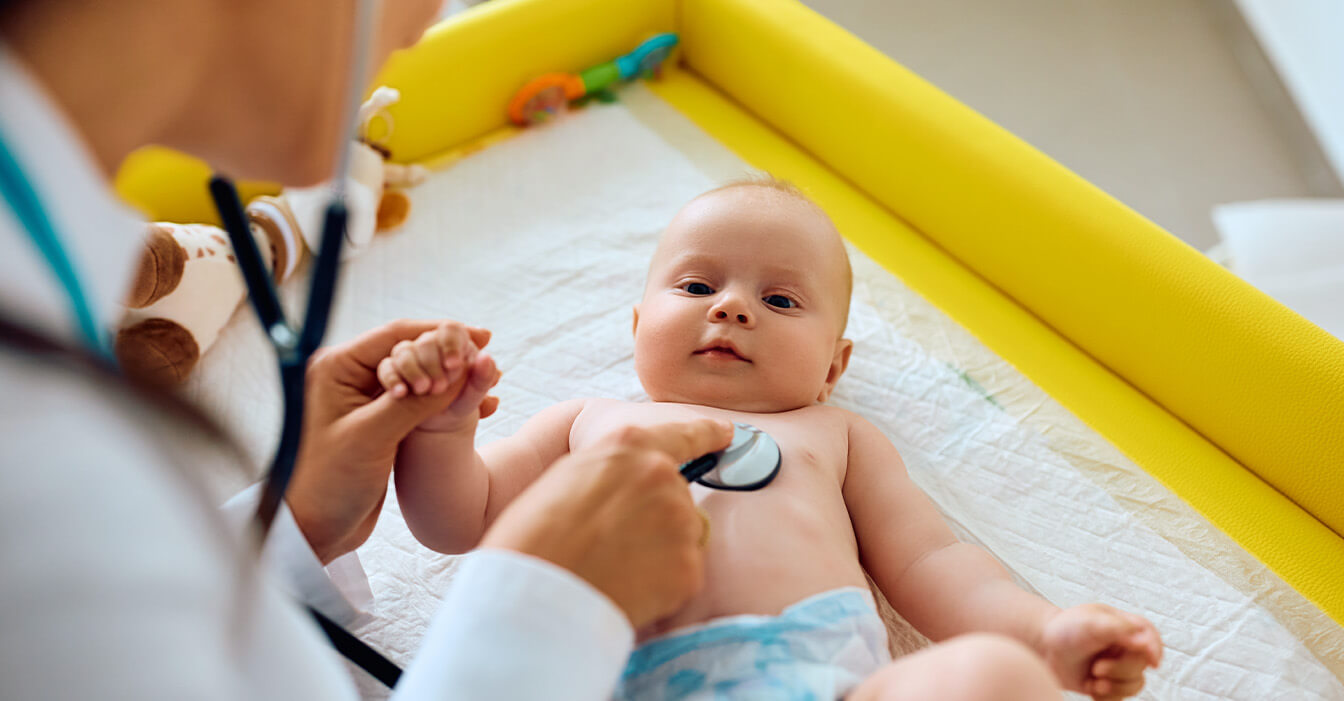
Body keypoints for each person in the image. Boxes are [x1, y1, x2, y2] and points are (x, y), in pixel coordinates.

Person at [0, 0, 732, 698]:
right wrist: (540, 614)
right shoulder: (36, 446)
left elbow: (113, 632)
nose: (425, 24)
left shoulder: (42, 263)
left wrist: (291, 520)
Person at [382, 179, 1164, 700]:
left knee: (995, 675)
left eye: (781, 298)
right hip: (615, 673)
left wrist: (1041, 629)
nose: (731, 308)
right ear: (635, 327)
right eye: (696, 286)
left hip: (821, 676)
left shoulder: (839, 435)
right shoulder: (588, 421)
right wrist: (443, 428)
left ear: (834, 365)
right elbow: (463, 519)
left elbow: (934, 560)